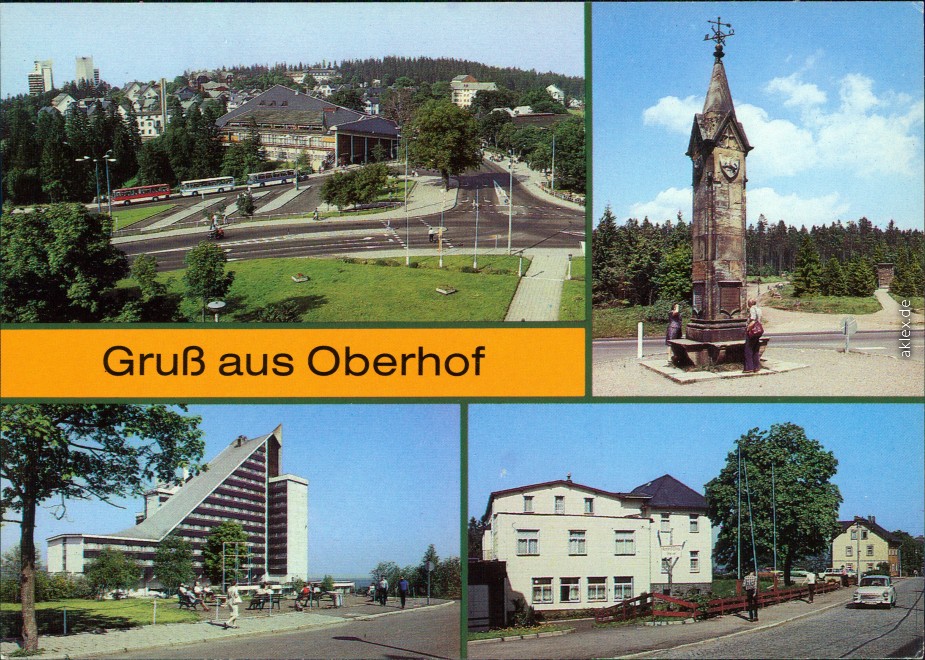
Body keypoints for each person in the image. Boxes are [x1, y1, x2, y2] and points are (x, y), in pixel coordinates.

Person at [743, 297, 763, 373]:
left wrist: (748, 329)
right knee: (755, 349)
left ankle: (749, 367)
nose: (747, 304)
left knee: (748, 349)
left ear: (750, 303)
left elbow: (753, 320)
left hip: (752, 331)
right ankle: (756, 367)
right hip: (758, 331)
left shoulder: (752, 309)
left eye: (748, 303)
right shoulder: (759, 309)